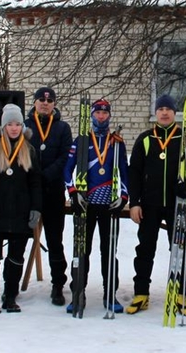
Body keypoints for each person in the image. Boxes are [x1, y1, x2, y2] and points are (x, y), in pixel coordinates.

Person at [125, 94, 186, 315]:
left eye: (168, 109)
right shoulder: (146, 138)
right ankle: (141, 294)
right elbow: (135, 172)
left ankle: (178, 293)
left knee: (179, 249)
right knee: (145, 249)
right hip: (149, 204)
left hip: (176, 204)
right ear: (156, 113)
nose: (165, 112)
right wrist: (135, 202)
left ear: (175, 112)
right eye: (161, 109)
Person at [63, 98, 129, 314]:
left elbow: (124, 171)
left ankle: (110, 294)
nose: (101, 116)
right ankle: (77, 293)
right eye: (97, 113)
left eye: (105, 113)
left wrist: (124, 196)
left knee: (109, 251)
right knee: (82, 250)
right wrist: (73, 192)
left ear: (109, 116)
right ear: (91, 115)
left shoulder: (116, 142)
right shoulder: (81, 141)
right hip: (86, 203)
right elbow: (67, 170)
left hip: (109, 204)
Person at [0, 103, 42, 314]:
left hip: (20, 213)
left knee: (16, 257)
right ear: (3, 126)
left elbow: (35, 182)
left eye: (18, 124)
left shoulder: (29, 150)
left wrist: (36, 208)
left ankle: (10, 296)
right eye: (10, 124)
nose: (14, 128)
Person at [23, 87, 73, 306]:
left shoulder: (62, 128)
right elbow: (19, 153)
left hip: (53, 190)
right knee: (19, 237)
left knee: (55, 239)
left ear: (54, 104)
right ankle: (13, 282)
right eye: (41, 99)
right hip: (28, 191)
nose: (45, 103)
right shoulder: (25, 127)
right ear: (34, 102)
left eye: (49, 100)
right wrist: (34, 177)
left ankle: (57, 285)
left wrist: (47, 175)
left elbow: (65, 157)